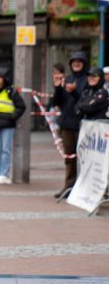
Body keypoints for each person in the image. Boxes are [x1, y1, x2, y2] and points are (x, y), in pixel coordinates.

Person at [51, 51, 87, 198]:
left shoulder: (88, 79)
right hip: (67, 123)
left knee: (86, 158)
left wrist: (73, 92)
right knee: (69, 158)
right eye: (73, 61)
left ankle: (85, 188)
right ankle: (69, 187)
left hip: (84, 124)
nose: (76, 63)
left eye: (79, 61)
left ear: (84, 63)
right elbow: (56, 102)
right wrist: (58, 88)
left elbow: (84, 101)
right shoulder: (67, 79)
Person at [0, 68, 26, 185]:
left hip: (7, 123)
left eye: (0, 77)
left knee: (5, 150)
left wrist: (12, 116)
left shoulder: (11, 91)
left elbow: (21, 106)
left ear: (5, 79)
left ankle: (4, 174)